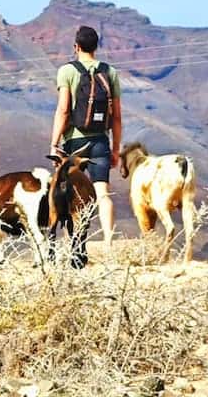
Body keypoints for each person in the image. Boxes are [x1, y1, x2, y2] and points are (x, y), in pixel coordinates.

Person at [50, 25, 122, 250]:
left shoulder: (67, 71)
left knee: (71, 193)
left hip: (74, 143)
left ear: (76, 46)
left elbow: (63, 110)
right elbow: (117, 117)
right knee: (102, 193)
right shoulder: (110, 72)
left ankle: (73, 243)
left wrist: (54, 144)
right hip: (100, 141)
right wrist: (116, 149)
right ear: (96, 46)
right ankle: (109, 244)